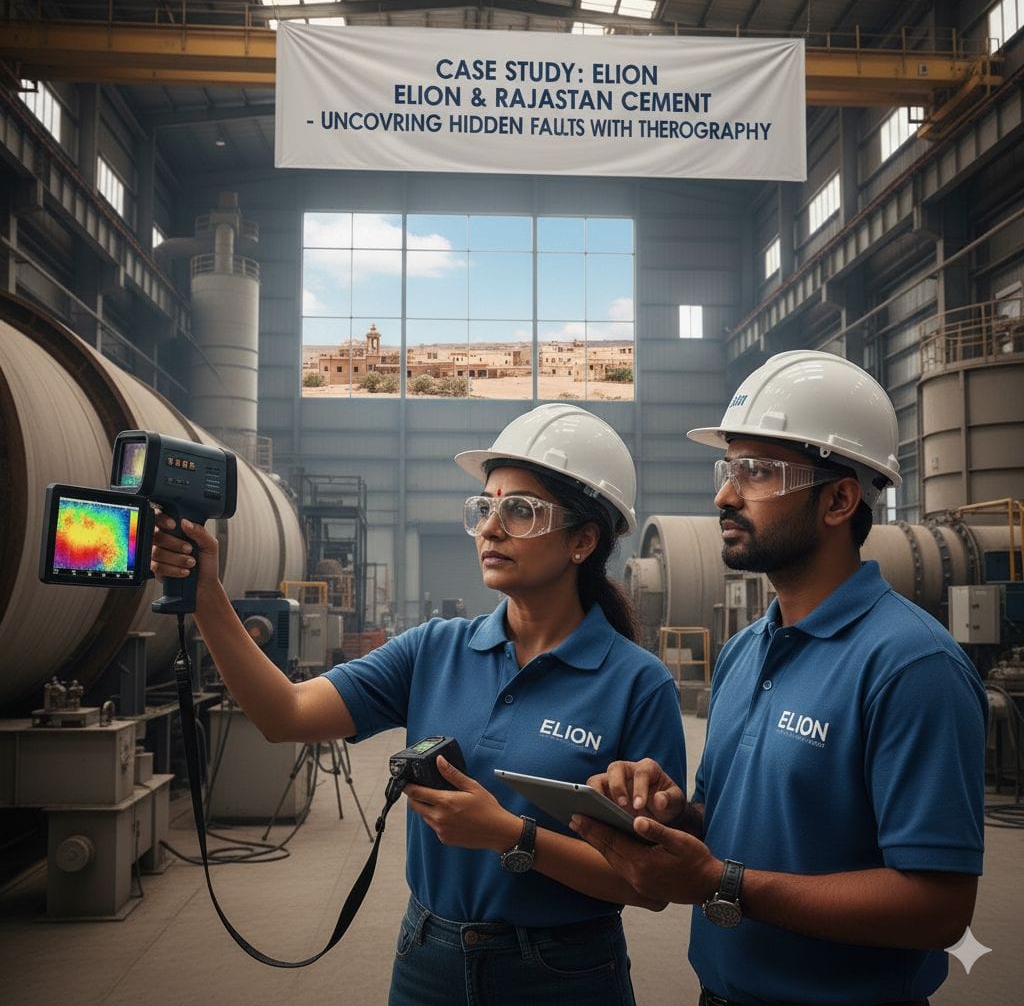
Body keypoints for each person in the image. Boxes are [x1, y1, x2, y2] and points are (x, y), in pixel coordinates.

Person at [151, 402, 686, 1006]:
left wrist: (510, 835)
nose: (490, 527)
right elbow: (286, 716)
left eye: (520, 510)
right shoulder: (435, 650)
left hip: (562, 971)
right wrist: (207, 597)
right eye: (485, 507)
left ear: (584, 540)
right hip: (427, 958)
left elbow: (647, 884)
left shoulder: (637, 684)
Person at [570, 351, 987, 1006]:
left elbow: (938, 908)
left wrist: (720, 882)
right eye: (728, 468)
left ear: (840, 499)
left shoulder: (911, 666)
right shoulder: (742, 652)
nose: (724, 494)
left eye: (756, 472)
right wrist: (667, 814)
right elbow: (722, 822)